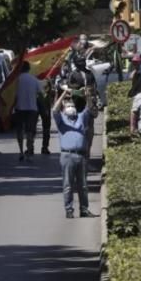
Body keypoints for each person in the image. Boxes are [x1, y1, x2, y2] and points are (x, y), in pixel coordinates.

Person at [53, 87, 95, 218]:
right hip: (67, 155)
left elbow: (89, 109)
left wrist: (88, 96)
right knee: (68, 185)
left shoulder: (81, 118)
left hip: (81, 155)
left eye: (72, 105)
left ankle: (84, 209)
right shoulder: (62, 121)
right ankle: (69, 210)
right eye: (68, 105)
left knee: (83, 185)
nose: (70, 107)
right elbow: (55, 109)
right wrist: (64, 94)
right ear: (64, 109)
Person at [13, 61, 41, 161]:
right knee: (30, 132)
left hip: (19, 108)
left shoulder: (16, 80)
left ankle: (21, 151)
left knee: (19, 131)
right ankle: (29, 153)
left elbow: (12, 94)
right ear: (29, 69)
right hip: (32, 108)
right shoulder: (34, 79)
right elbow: (40, 92)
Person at [36, 77, 55, 155]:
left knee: (45, 128)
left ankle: (32, 148)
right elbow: (49, 94)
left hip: (38, 105)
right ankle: (44, 147)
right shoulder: (46, 80)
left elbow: (49, 93)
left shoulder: (40, 79)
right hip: (41, 106)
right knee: (46, 128)